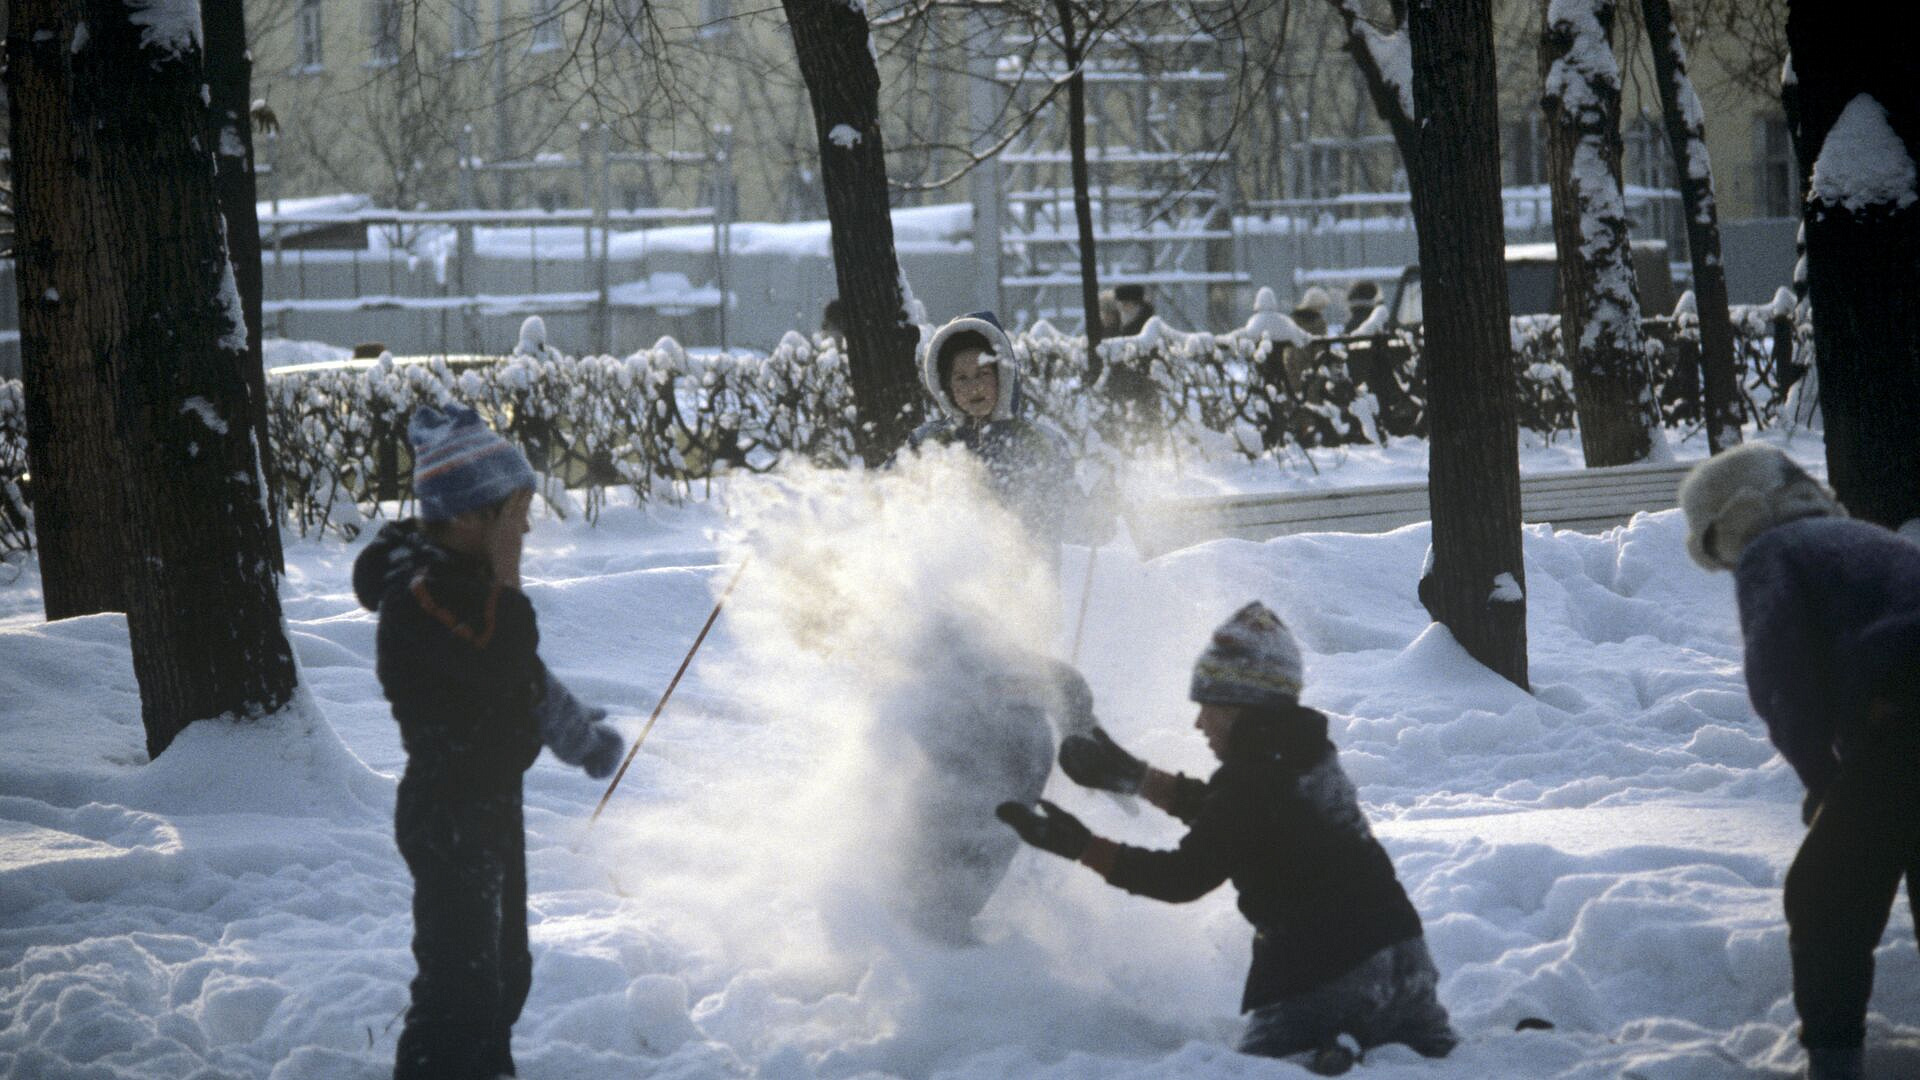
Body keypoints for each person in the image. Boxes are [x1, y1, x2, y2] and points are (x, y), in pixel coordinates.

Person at [997, 602, 1457, 1076]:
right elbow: (1240, 823)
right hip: (1406, 965)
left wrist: (1081, 846)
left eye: (1208, 707)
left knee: (1246, 1072)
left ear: (1240, 709)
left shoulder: (1250, 781)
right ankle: (1349, 1043)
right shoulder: (1306, 754)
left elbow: (1183, 878)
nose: (1198, 724)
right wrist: (1136, 777)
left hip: (1325, 978)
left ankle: (1329, 1045)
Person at [353, 404, 625, 1079]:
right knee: (459, 992)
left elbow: (525, 681)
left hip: (489, 805)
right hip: (447, 812)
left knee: (503, 975)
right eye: (516, 514)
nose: (527, 528)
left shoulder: (463, 586)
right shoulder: (423, 595)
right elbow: (505, 653)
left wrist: (580, 738)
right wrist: (508, 571)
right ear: (472, 516)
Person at [1678, 444, 1920, 1080]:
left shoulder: (1772, 552)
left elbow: (1782, 676)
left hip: (1905, 718)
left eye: (1714, 547)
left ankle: (1835, 1063)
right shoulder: (1864, 539)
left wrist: (1824, 779)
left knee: (1827, 895)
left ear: (1735, 519)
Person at [907, 311, 1111, 562]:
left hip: (1027, 578)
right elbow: (890, 504)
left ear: (1003, 375)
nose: (974, 387)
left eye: (983, 374)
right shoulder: (929, 444)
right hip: (950, 581)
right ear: (945, 386)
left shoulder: (1040, 442)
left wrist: (1098, 515)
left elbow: (1070, 516)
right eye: (961, 378)